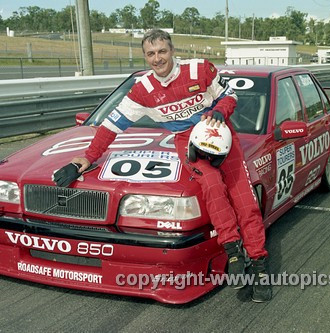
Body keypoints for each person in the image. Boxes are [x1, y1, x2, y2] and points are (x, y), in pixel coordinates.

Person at [56, 29, 271, 302]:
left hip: (219, 133)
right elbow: (111, 126)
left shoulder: (199, 69)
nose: (157, 59)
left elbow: (231, 96)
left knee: (246, 203)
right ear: (145, 57)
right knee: (212, 185)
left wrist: (219, 111)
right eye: (151, 54)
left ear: (172, 51)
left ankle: (261, 267)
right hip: (186, 141)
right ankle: (232, 249)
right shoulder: (142, 90)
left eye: (162, 52)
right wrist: (87, 157)